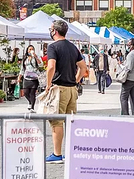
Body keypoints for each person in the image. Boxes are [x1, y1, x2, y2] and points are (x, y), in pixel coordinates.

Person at [43, 19, 88, 163]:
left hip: (59, 88)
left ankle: (57, 154)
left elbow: (51, 67)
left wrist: (48, 84)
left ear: (54, 31)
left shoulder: (53, 47)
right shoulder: (73, 47)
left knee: (57, 122)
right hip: (72, 89)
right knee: (71, 121)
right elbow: (83, 68)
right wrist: (75, 80)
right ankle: (71, 152)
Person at [119, 39, 134, 116]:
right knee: (133, 97)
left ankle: (125, 114)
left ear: (132, 45)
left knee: (123, 97)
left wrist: (122, 68)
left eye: (129, 45)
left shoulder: (131, 54)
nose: (128, 46)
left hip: (129, 77)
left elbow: (128, 67)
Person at [17, 44, 41, 112]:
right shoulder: (25, 58)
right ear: (27, 50)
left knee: (32, 93)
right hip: (26, 77)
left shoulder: (36, 57)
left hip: (34, 77)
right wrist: (19, 77)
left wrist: (36, 57)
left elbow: (40, 64)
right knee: (25, 92)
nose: (31, 50)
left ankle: (32, 107)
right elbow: (22, 68)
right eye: (29, 49)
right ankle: (30, 102)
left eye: (32, 49)